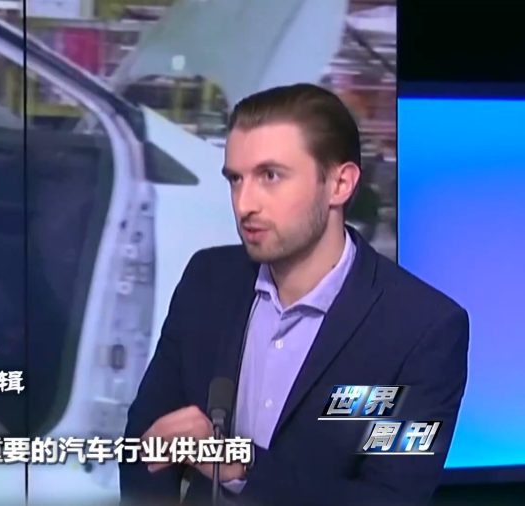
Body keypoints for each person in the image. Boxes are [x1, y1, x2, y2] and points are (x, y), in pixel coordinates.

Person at [119, 83, 469, 506]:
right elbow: (146, 439)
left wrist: (243, 467)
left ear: (340, 184)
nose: (244, 203)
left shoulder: (421, 330)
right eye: (235, 179)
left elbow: (392, 497)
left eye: (270, 176)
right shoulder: (208, 280)